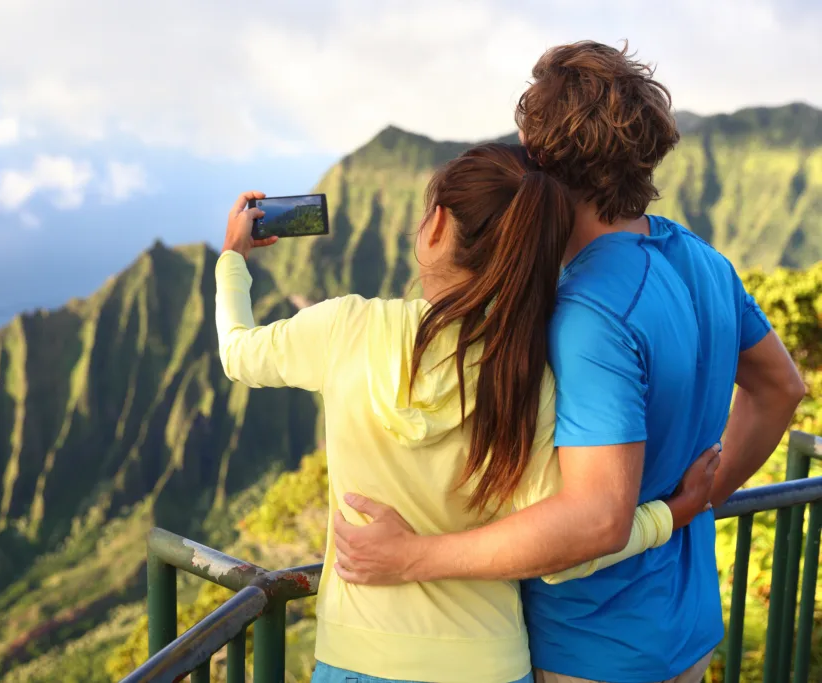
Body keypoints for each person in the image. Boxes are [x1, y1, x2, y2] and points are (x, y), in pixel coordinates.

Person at [331, 41, 806, 683]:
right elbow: (780, 388)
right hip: (686, 632)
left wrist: (412, 558)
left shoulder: (586, 312)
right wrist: (701, 498)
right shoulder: (704, 263)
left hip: (590, 647)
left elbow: (597, 517)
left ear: (543, 159)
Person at [215, 144, 719, 683]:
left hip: (360, 659)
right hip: (492, 665)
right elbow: (569, 548)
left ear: (435, 226)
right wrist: (673, 512)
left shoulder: (346, 328)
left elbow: (239, 353)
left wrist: (233, 256)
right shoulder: (530, 376)